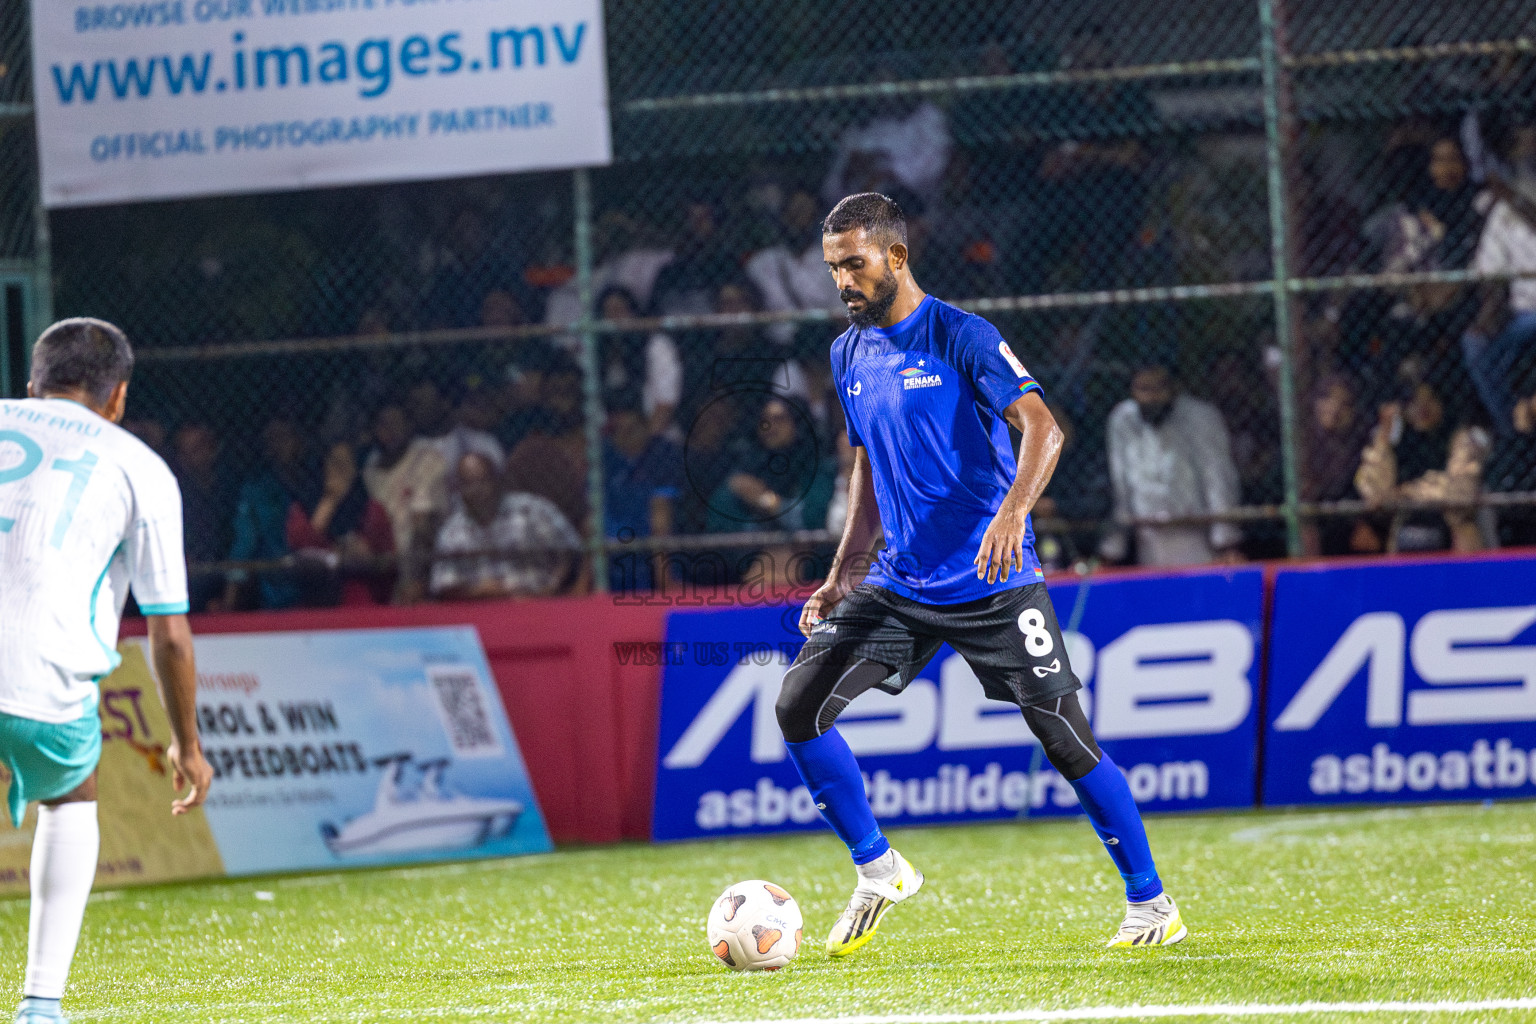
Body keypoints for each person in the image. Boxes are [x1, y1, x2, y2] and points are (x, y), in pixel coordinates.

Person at [781, 194, 1184, 958]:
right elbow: (866, 465)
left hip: (993, 579)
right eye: (834, 268)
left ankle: (1152, 903)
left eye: (855, 265)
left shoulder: (963, 336)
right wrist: (842, 575)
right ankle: (879, 866)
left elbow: (1044, 426)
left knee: (1065, 739)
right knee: (799, 705)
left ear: (896, 257)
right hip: (899, 584)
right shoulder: (846, 355)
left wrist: (1012, 513)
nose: (843, 282)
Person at [0, 319, 211, 1024]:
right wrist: (187, 741)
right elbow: (169, 631)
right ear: (117, 397)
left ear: (31, 384)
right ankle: (40, 1005)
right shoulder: (141, 466)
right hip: (40, 687)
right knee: (73, 789)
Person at [1101, 363, 1243, 566]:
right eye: (1144, 389)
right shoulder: (1123, 419)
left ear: (1174, 388)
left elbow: (1217, 478)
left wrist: (1226, 541)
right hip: (1148, 537)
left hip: (1195, 535)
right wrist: (1112, 548)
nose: (1151, 397)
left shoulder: (1200, 417)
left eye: (1158, 388)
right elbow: (1121, 484)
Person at [430, 452, 580, 600]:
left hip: (537, 603)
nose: (476, 490)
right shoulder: (452, 530)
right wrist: (479, 592)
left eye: (482, 481)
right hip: (483, 610)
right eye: (468, 484)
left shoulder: (532, 510)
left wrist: (551, 589)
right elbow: (443, 586)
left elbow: (572, 552)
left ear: (498, 481)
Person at [362, 402, 449, 603]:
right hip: (382, 561)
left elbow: (424, 526)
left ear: (409, 426)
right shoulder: (370, 464)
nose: (390, 431)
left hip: (422, 561)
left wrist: (414, 577)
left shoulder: (427, 457)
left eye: (396, 424)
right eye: (384, 425)